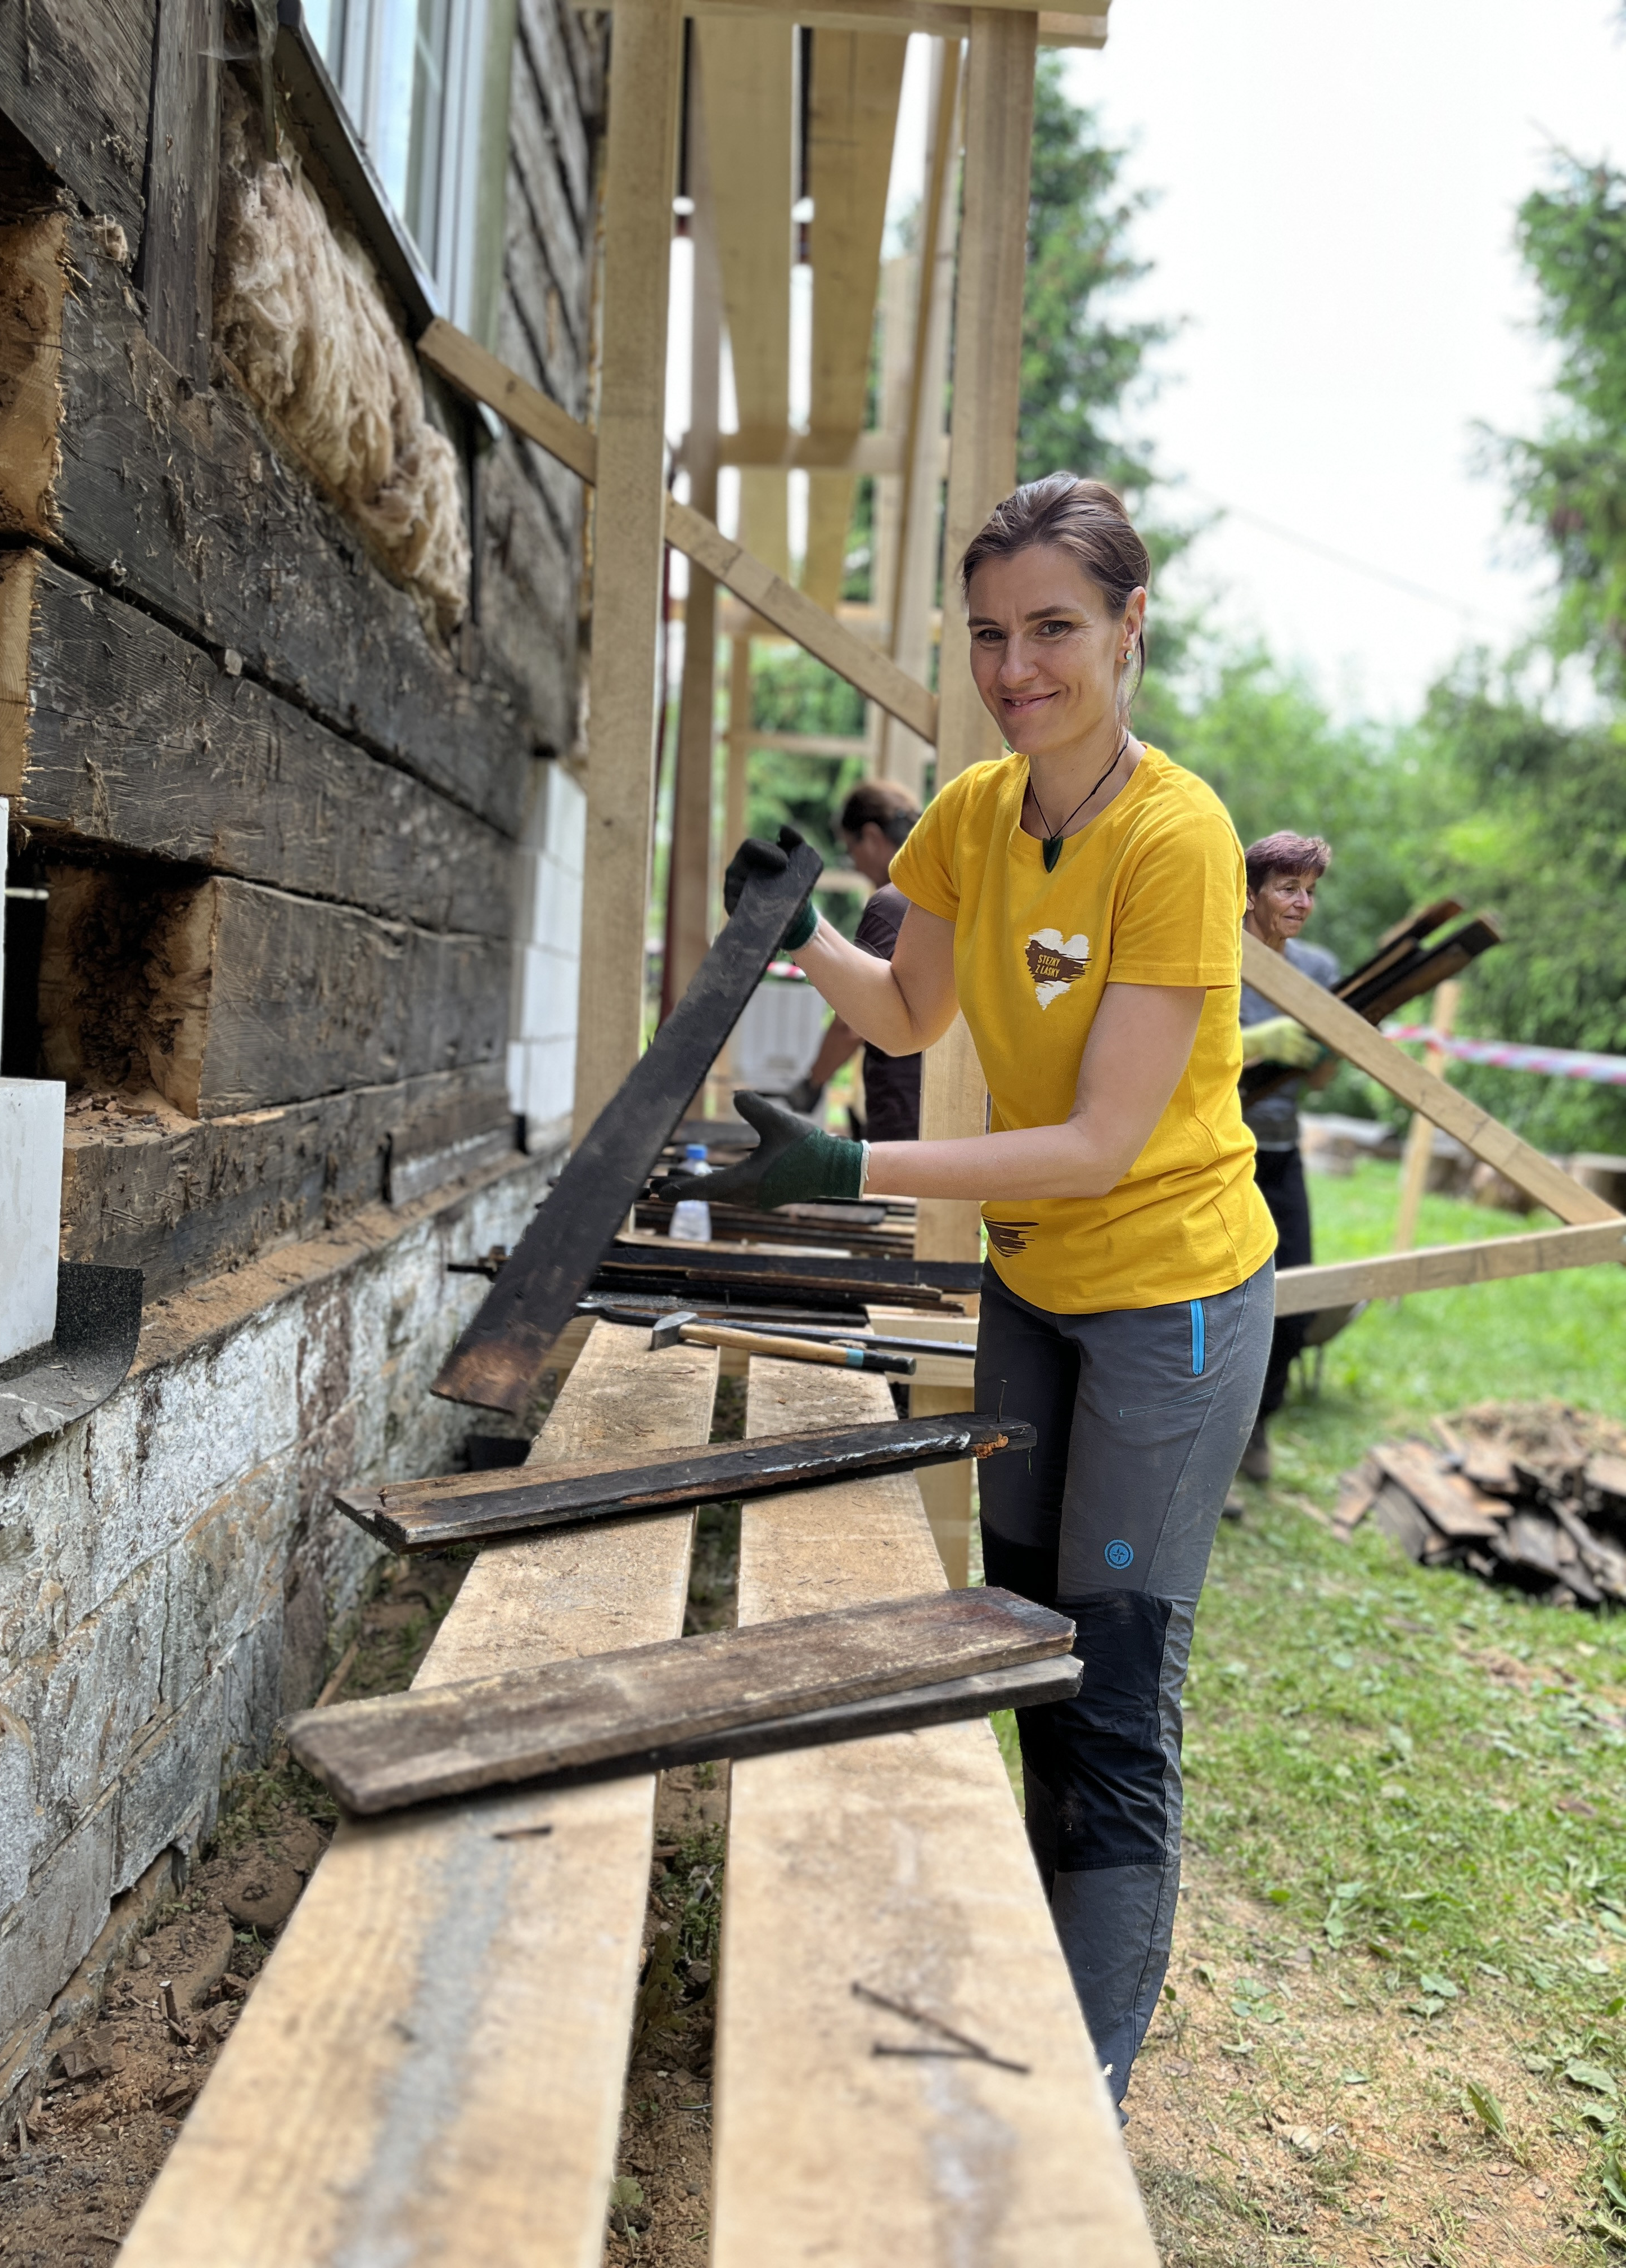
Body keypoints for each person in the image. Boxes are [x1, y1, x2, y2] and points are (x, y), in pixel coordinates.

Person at [666, 474, 1276, 2111]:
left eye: (1056, 631)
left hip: (1175, 1302)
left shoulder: (1179, 837)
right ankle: (1038, 1969)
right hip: (1034, 1290)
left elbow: (1092, 1143)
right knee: (1027, 1641)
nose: (1019, 669)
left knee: (1116, 1675)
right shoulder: (966, 817)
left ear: (1130, 629)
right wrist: (799, 931)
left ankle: (1080, 2084)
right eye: (993, 635)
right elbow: (915, 1011)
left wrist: (846, 1178)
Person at [1235, 835, 1337, 1483]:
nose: (1302, 903)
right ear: (1249, 893)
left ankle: (1259, 1429)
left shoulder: (1319, 971)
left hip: (1281, 1149)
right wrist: (1254, 1042)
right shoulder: (1215, 949)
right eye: (1287, 888)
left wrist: (1330, 1053)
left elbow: (1321, 1084)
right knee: (1222, 1303)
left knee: (1295, 1298)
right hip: (1219, 1151)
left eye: (1311, 891)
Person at [781, 779, 923, 1140]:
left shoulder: (892, 905)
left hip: (905, 1113)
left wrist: (812, 1083)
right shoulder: (948, 892)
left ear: (872, 837)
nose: (855, 865)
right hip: (951, 1115)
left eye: (850, 850)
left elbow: (854, 1021)